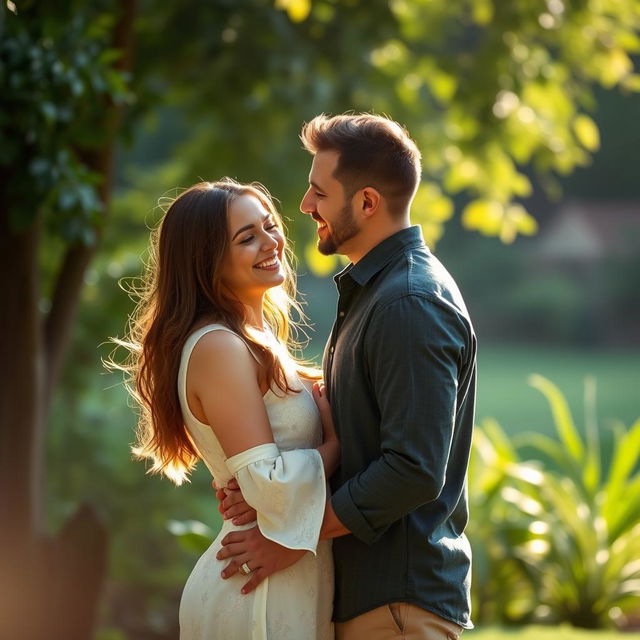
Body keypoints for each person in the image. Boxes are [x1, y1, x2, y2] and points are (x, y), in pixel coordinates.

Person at [217, 114, 477, 639]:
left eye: (318, 191)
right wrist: (273, 495)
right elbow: (360, 445)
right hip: (371, 600)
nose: (305, 206)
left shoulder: (408, 303)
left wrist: (293, 534)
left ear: (366, 203)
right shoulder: (377, 294)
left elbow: (412, 469)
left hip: (398, 606)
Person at [117, 179, 339, 639]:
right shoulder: (219, 347)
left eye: (269, 226)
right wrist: (339, 444)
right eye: (247, 237)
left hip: (286, 572)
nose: (270, 242)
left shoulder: (254, 342)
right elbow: (268, 486)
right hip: (253, 588)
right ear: (206, 262)